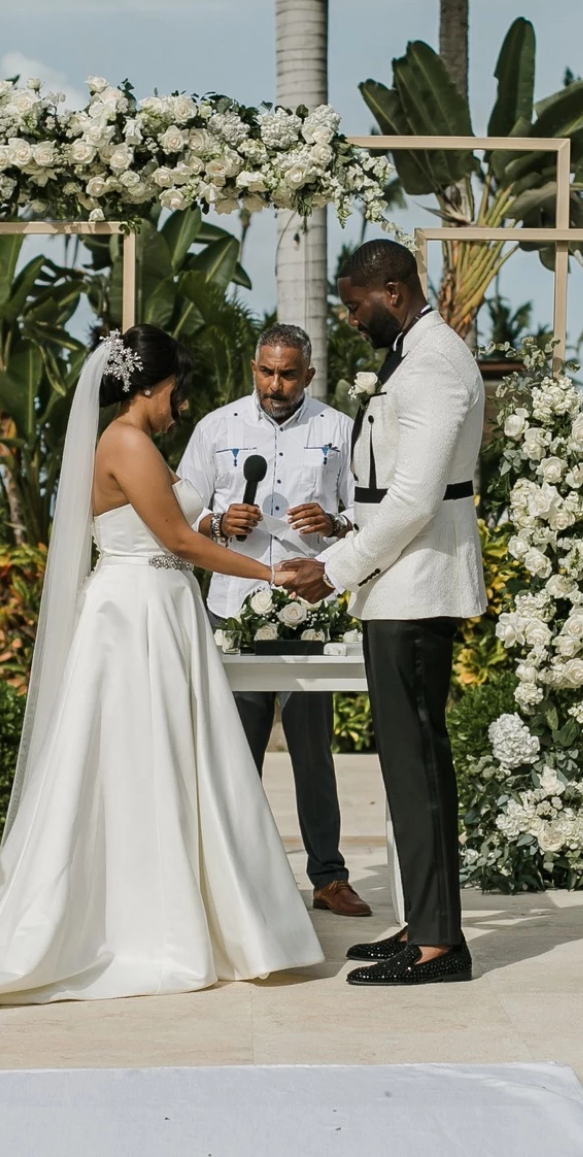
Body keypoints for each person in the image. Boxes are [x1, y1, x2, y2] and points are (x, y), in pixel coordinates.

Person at [0, 326, 323, 1010]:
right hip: (136, 614)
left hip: (153, 610)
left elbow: (177, 530)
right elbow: (173, 539)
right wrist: (271, 573)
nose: (182, 405)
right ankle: (152, 922)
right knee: (140, 761)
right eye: (177, 391)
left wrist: (213, 530)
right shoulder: (129, 442)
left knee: (162, 761)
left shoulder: (131, 441)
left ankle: (193, 912)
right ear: (148, 387)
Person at [282, 239, 487, 987]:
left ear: (392, 292)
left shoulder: (433, 366)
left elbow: (413, 498)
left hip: (418, 587)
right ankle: (426, 921)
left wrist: (334, 570)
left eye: (352, 303)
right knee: (405, 766)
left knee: (417, 765)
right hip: (397, 584)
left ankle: (440, 943)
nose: (346, 317)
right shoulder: (414, 354)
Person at [177, 322, 369, 920]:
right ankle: (235, 878)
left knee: (314, 748)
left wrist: (333, 524)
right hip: (232, 603)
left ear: (309, 374)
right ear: (253, 368)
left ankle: (328, 877)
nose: (275, 384)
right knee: (234, 748)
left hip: (308, 607)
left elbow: (366, 513)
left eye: (288, 374)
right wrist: (216, 523)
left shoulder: (340, 429)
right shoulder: (216, 427)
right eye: (266, 371)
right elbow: (180, 512)